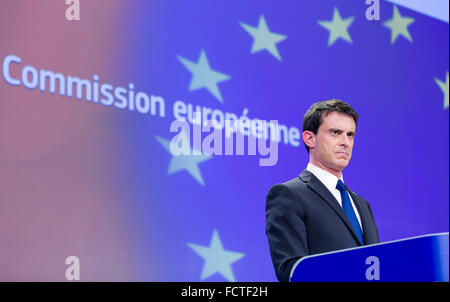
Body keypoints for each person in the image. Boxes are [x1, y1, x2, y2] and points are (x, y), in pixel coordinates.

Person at [265, 99, 380, 282]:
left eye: (350, 135)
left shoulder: (362, 204)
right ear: (309, 138)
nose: (346, 142)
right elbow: (291, 271)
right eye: (336, 133)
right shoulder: (289, 195)